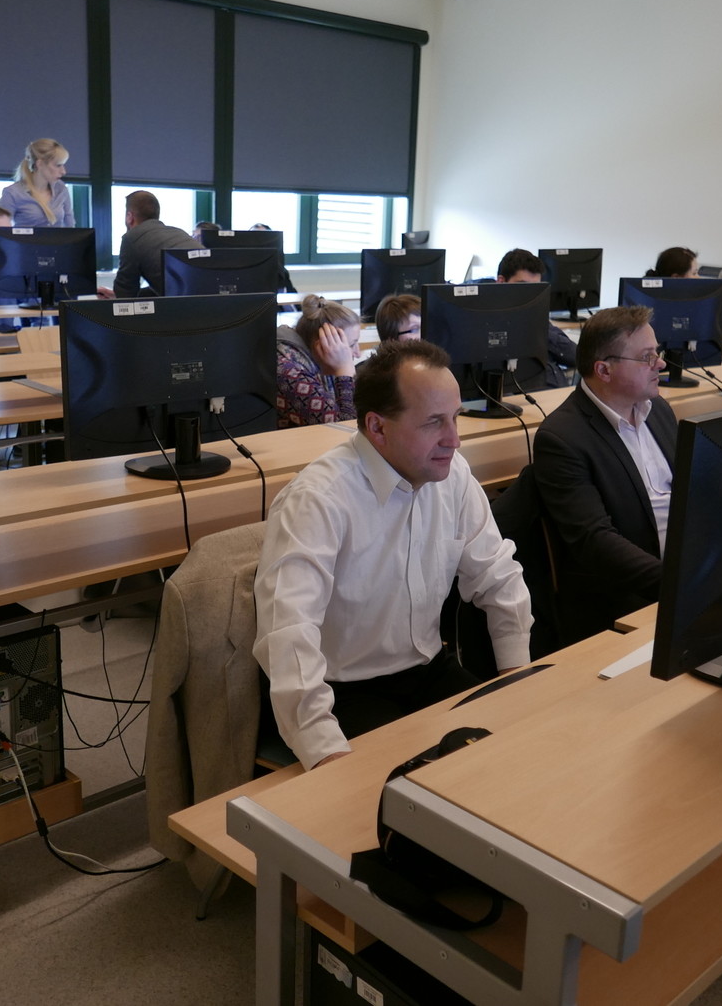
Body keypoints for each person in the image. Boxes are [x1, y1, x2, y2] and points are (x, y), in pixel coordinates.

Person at [252, 340, 533, 769]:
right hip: (343, 691)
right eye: (434, 422)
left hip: (428, 670)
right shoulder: (318, 500)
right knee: (417, 789)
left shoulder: (452, 475)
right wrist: (323, 750)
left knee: (515, 751)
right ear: (377, 427)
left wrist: (517, 680)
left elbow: (499, 578)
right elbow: (288, 636)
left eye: (455, 417)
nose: (454, 440)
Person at [534, 305, 676, 643]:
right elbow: (594, 540)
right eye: (647, 357)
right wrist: (677, 583)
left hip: (682, 576)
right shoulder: (562, 438)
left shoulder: (658, 411)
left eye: (657, 353)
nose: (660, 364)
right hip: (626, 597)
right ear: (604, 370)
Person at [495, 248, 576, 388]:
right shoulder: (488, 322)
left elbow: (575, 356)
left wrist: (536, 326)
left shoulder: (536, 317)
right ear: (501, 282)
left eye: (535, 287)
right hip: (525, 395)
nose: (529, 294)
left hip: (556, 391)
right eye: (522, 286)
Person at [277, 295, 359, 428]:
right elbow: (347, 427)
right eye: (351, 345)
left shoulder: (311, 357)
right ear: (323, 345)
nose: (357, 353)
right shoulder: (289, 372)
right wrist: (344, 371)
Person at [112, 190, 202, 298]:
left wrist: (111, 300)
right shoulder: (178, 232)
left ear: (129, 217)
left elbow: (125, 291)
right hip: (212, 299)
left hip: (185, 303)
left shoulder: (132, 238)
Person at [0, 139, 73, 228]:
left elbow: (70, 226)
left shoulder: (61, 188)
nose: (63, 171)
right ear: (40, 164)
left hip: (59, 238)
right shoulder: (12, 193)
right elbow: (1, 230)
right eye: (58, 165)